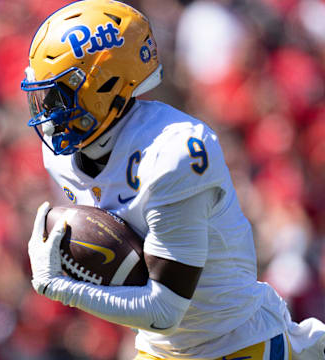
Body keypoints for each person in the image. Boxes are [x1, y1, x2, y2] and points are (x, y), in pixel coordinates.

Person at [21, 1, 325, 359]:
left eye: (59, 96)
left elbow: (165, 309)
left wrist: (63, 288)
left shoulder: (173, 153)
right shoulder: (62, 154)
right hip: (158, 348)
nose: (49, 113)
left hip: (236, 343)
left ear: (104, 86)